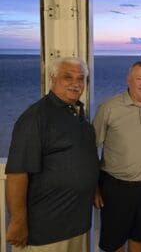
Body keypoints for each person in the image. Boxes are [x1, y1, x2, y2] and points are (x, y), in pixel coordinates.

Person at [5, 57, 99, 251]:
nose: (76, 83)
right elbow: (17, 174)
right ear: (52, 79)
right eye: (68, 77)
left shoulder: (78, 115)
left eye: (81, 79)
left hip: (77, 225)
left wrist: (93, 186)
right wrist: (17, 222)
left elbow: (84, 160)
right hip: (46, 230)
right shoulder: (35, 118)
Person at [93, 61, 141, 252]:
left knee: (139, 240)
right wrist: (94, 188)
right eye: (139, 78)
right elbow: (90, 149)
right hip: (115, 188)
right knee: (114, 244)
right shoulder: (109, 108)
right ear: (129, 80)